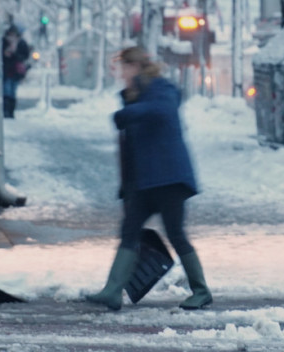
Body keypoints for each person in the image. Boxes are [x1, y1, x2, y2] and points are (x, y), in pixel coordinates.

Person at [85, 46, 213, 311]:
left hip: (169, 178)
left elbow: (162, 110)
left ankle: (201, 291)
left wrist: (128, 113)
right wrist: (127, 189)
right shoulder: (134, 98)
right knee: (129, 231)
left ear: (136, 67)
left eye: (125, 68)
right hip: (144, 184)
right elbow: (130, 151)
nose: (121, 74)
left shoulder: (161, 88)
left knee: (176, 234)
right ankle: (112, 291)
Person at [2, 24, 31, 118]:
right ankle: (6, 111)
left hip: (16, 71)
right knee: (6, 90)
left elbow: (25, 55)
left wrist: (15, 54)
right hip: (6, 70)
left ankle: (11, 111)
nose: (12, 36)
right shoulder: (4, 42)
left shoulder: (21, 43)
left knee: (12, 91)